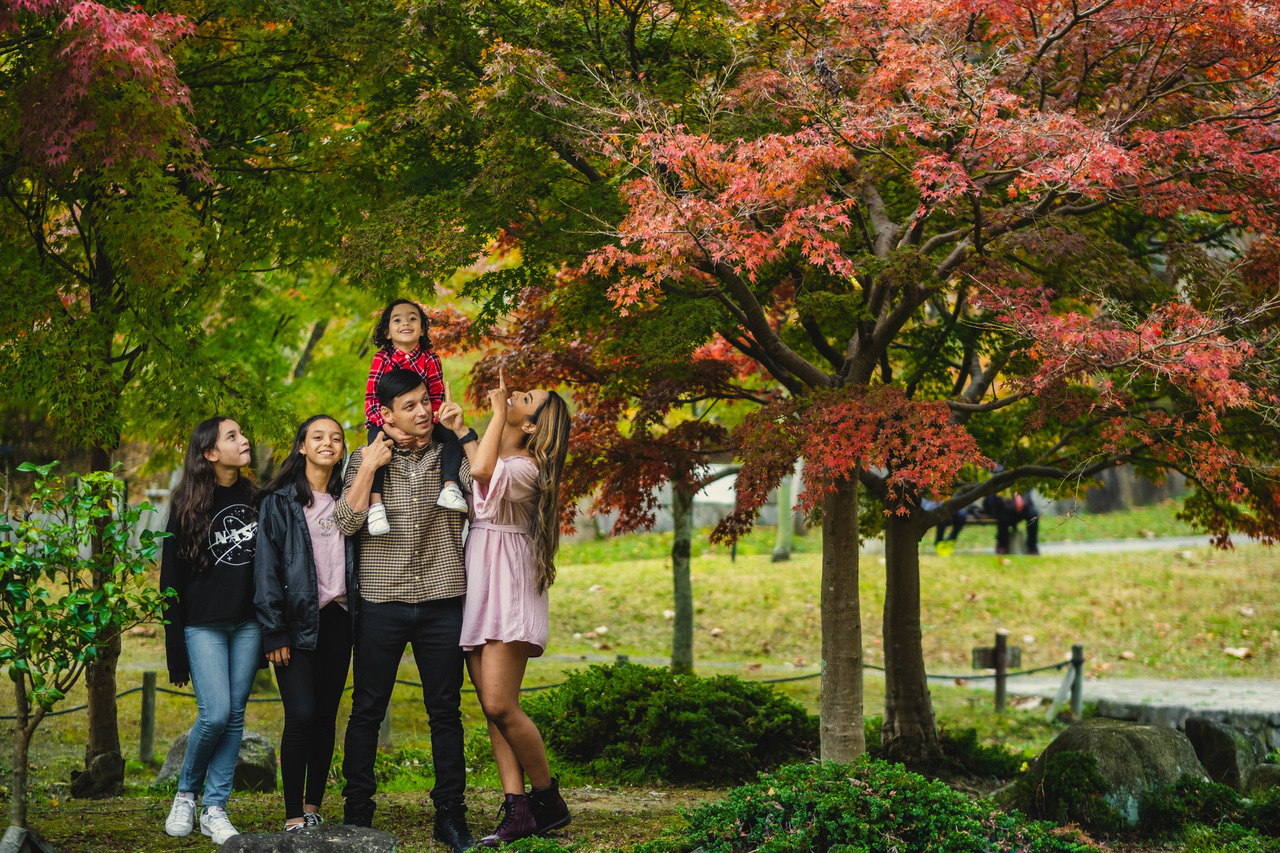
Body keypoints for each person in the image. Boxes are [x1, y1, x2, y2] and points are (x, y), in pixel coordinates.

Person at [336, 368, 476, 852]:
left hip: (442, 599)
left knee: (446, 711)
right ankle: (357, 813)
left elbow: (485, 500)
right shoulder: (363, 458)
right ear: (388, 414)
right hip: (382, 602)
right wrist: (371, 465)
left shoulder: (451, 454)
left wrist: (464, 433)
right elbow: (347, 521)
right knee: (367, 711)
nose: (422, 412)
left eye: (424, 402)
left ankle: (450, 817)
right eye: (410, 406)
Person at [437, 369, 572, 846]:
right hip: (482, 583)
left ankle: (547, 800)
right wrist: (460, 429)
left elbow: (479, 472)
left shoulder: (529, 469)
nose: (514, 394)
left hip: (509, 586)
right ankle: (517, 809)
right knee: (494, 709)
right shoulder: (505, 456)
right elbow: (481, 463)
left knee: (499, 702)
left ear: (531, 424)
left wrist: (494, 415)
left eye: (525, 398)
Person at [161, 417, 260, 846]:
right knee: (215, 713)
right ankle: (186, 793)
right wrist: (174, 649)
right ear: (210, 453)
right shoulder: (184, 505)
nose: (245, 441)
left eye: (243, 433)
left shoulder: (258, 498)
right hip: (202, 625)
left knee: (235, 717)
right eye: (232, 437)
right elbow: (169, 582)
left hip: (249, 624)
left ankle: (215, 808)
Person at [255, 415, 355, 832]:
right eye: (318, 437)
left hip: (338, 620)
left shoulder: (349, 500)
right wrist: (273, 630)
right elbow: (265, 568)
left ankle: (314, 806)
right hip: (295, 625)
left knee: (327, 716)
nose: (328, 443)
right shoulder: (279, 502)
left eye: (336, 438)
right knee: (301, 715)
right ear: (302, 447)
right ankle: (293, 814)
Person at [362, 298, 467, 535]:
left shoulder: (430, 358)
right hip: (387, 422)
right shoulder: (382, 358)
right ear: (387, 332)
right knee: (376, 446)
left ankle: (449, 486)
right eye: (397, 320)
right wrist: (389, 429)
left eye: (412, 318)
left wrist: (429, 428)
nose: (405, 323)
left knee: (452, 436)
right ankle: (376, 504)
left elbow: (437, 397)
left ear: (421, 328)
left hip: (425, 419)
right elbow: (371, 401)